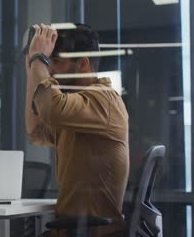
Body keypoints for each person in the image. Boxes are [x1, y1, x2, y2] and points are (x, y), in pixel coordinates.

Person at [25, 23, 129, 237]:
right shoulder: (77, 110)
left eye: (56, 62)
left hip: (90, 232)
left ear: (83, 64)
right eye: (49, 61)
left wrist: (38, 59)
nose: (50, 69)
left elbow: (51, 109)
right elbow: (36, 130)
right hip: (74, 230)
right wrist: (32, 72)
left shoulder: (104, 99)